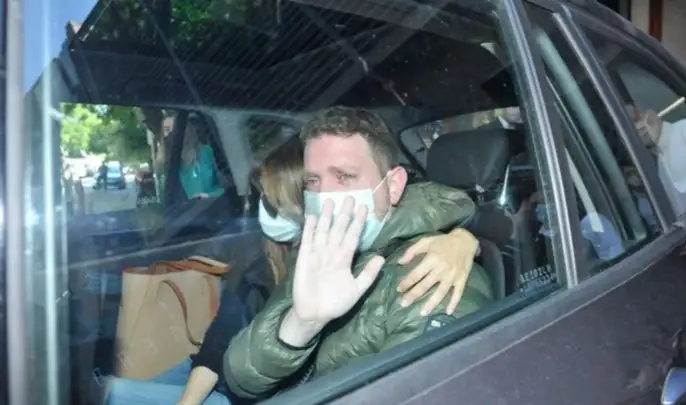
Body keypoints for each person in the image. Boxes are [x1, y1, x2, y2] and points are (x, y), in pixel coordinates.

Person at [106, 135, 481, 405]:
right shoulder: (266, 254)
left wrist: (464, 238)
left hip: (242, 391)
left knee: (114, 394)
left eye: (272, 202)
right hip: (222, 374)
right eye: (261, 199)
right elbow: (222, 341)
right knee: (110, 392)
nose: (263, 211)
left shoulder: (348, 255)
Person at [223, 107, 495, 400]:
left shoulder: (432, 272)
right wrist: (301, 325)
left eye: (344, 176)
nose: (324, 196)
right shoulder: (318, 253)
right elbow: (239, 378)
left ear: (393, 187)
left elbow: (420, 392)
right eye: (312, 181)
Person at [632, 106, 686, 253]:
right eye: (633, 126)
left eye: (638, 119)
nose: (639, 128)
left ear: (650, 114)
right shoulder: (660, 163)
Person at [179, 118, 225, 200]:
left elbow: (222, 184)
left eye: (191, 129)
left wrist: (209, 195)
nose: (191, 132)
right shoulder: (175, 162)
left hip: (213, 203)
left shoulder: (206, 151)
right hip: (190, 207)